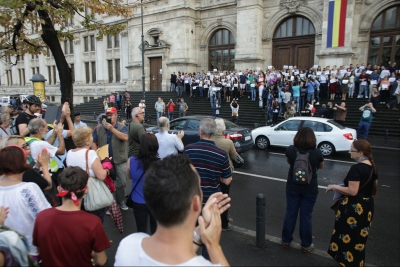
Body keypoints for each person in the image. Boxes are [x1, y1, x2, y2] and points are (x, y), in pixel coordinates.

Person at [115, 155, 231, 266]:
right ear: (196, 203)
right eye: (199, 186)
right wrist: (213, 245)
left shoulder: (128, 246)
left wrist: (200, 231)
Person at [32, 167, 111, 266]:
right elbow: (101, 260)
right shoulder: (93, 222)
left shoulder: (42, 217)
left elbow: (40, 250)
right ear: (86, 190)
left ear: (59, 189)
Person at [326, 140, 378, 267]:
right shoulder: (372, 166)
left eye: (352, 150)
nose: (350, 153)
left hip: (353, 208)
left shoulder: (357, 168)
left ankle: (346, 261)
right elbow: (373, 188)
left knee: (347, 235)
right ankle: (356, 262)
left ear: (360, 152)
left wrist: (334, 186)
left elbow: (352, 191)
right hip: (367, 206)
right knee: (359, 237)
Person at [0, 146, 51, 258]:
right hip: (30, 251)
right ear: (22, 162)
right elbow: (46, 218)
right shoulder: (28, 189)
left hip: (6, 252)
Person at [281, 127, 324, 253]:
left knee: (290, 213)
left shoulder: (291, 149)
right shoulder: (316, 152)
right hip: (310, 189)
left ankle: (286, 240)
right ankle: (306, 244)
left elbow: (289, 162)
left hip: (292, 187)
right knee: (306, 216)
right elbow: (321, 166)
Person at [66, 126, 110, 222]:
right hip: (90, 193)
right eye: (90, 136)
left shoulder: (69, 152)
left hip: (76, 192)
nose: (92, 138)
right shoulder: (90, 154)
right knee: (95, 220)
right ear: (86, 141)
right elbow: (101, 175)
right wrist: (107, 170)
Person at [93, 107, 129, 211]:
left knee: (121, 182)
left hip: (119, 159)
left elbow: (125, 138)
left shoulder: (122, 126)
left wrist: (112, 129)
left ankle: (120, 201)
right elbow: (93, 142)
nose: (109, 117)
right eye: (107, 115)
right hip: (105, 160)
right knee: (106, 183)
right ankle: (109, 204)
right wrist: (96, 154)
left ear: (116, 116)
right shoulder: (99, 128)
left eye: (111, 115)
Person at [126, 134, 159, 234]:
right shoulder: (161, 163)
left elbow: (129, 176)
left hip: (138, 201)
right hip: (155, 202)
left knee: (141, 230)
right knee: (155, 229)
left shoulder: (131, 161)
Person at [213, 118, 239, 231]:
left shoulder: (210, 140)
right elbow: (234, 156)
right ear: (223, 131)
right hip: (225, 174)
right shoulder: (228, 142)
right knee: (223, 199)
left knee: (212, 198)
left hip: (212, 174)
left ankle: (212, 220)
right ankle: (223, 223)